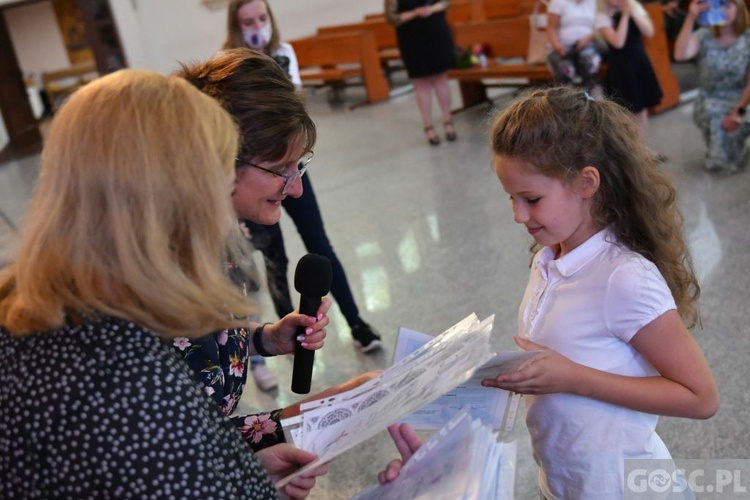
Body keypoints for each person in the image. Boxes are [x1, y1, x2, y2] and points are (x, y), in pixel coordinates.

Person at [0, 68, 329, 498]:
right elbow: (171, 448)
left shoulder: (35, 302)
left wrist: (246, 468)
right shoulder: (131, 379)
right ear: (174, 197)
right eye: (220, 177)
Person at [482, 86, 719, 498]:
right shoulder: (549, 257)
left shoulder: (623, 277)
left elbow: (700, 398)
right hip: (565, 485)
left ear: (586, 182)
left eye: (531, 199)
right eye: (511, 199)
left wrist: (573, 378)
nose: (518, 215)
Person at [223, 1, 383, 372]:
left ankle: (357, 323)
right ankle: (285, 335)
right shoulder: (229, 61)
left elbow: (293, 110)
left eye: (262, 18)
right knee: (274, 257)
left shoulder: (282, 53)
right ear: (235, 25)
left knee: (320, 245)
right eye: (248, 21)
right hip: (257, 173)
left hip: (285, 163)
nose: (256, 26)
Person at [673, 0, 750, 175]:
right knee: (714, 117)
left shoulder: (747, 39)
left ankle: (734, 152)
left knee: (734, 127)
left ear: (738, 8)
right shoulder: (704, 35)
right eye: (717, 4)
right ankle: (722, 158)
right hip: (710, 98)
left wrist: (738, 112)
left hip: (742, 99)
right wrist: (691, 17)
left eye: (727, 5)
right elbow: (680, 54)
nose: (721, 9)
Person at [385, 0, 457, 146]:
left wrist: (431, 9)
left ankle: (448, 122)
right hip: (411, 36)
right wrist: (415, 13)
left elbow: (446, 2)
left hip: (436, 31)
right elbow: (391, 18)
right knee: (422, 82)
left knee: (441, 78)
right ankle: (428, 126)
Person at [596, 0, 663, 138]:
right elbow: (618, 42)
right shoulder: (602, 16)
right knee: (628, 111)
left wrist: (631, 11)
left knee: (642, 108)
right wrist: (625, 16)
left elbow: (649, 32)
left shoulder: (634, 7)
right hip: (621, 67)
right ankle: (632, 150)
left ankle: (642, 148)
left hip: (638, 61)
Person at [546, 0, 604, 95]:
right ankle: (566, 101)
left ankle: (594, 100)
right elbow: (551, 29)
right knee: (566, 70)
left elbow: (600, 27)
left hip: (587, 46)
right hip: (562, 48)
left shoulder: (594, 2)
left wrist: (588, 38)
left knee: (590, 64)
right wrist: (558, 46)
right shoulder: (558, 2)